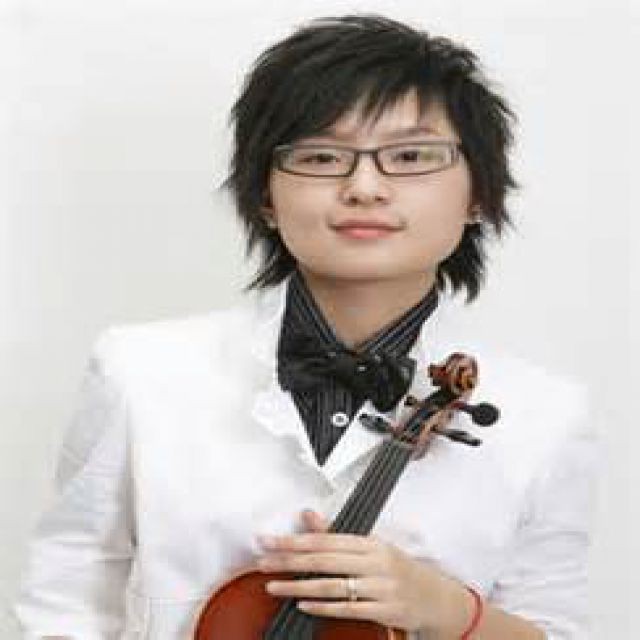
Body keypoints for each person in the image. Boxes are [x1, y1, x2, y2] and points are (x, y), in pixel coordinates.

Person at [14, 13, 599, 639]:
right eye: (321, 156)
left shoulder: (547, 415)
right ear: (266, 196)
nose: (365, 187)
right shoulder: (138, 371)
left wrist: (446, 608)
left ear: (478, 193)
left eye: (410, 156)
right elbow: (65, 605)